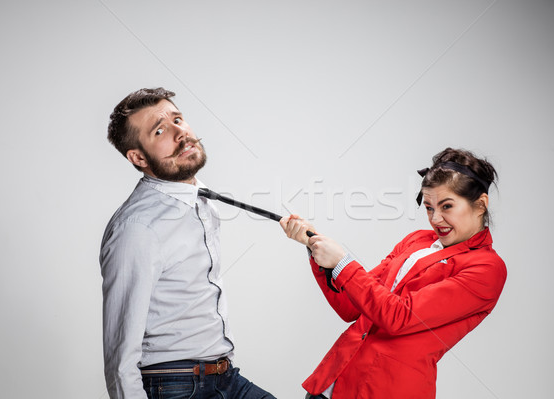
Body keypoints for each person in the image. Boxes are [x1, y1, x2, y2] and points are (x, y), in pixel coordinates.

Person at [280, 148, 507, 398]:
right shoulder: (416, 240)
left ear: (480, 204)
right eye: (429, 207)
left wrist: (343, 262)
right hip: (332, 383)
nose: (436, 218)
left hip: (385, 390)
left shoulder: (486, 269)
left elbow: (398, 317)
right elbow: (351, 307)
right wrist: (316, 248)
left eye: (447, 206)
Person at [100, 87, 275, 399]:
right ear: (138, 157)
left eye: (178, 119)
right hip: (176, 385)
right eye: (160, 130)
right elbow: (119, 355)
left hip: (223, 376)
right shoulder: (137, 228)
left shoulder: (200, 198)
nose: (180, 132)